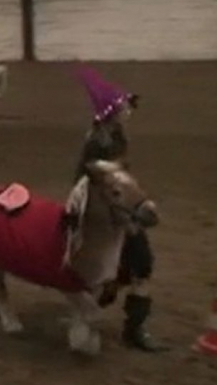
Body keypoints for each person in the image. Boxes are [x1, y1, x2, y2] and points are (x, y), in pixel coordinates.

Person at [73, 64, 166, 352]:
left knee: (135, 267)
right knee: (139, 265)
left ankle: (104, 311)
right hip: (110, 212)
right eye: (124, 106)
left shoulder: (111, 136)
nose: (129, 109)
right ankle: (130, 328)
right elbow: (104, 178)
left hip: (114, 207)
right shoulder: (102, 141)